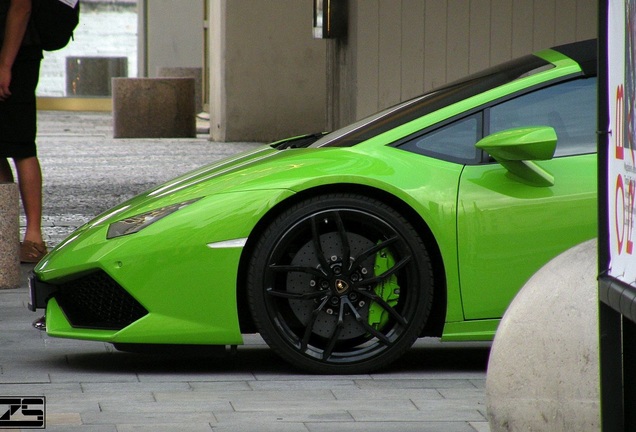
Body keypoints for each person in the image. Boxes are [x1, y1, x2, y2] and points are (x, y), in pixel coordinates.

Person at [0, 0, 46, 264]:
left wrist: (6, 64)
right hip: (12, 53)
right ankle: (7, 231)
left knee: (21, 146)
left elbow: (22, 6)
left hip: (17, 53)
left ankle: (34, 236)